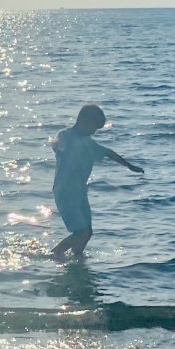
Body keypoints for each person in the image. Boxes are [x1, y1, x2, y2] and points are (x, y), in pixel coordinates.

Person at [50, 104, 143, 260]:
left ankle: (76, 257)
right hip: (65, 191)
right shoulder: (66, 135)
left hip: (79, 191)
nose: (94, 132)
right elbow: (56, 142)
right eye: (94, 128)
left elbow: (108, 153)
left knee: (88, 232)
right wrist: (59, 149)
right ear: (83, 121)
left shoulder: (88, 142)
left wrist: (129, 166)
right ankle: (55, 253)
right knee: (81, 232)